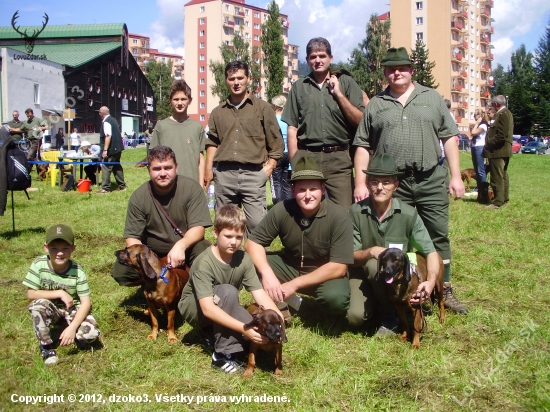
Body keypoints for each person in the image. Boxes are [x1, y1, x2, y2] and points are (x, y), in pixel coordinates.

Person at [353, 47, 467, 314]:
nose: (397, 73)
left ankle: (443, 287)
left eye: (402, 68)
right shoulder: (376, 105)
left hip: (429, 178)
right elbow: (361, 145)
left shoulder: (432, 98)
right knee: (399, 238)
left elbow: (449, 137)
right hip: (394, 185)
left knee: (438, 234)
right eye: (391, 69)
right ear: (385, 73)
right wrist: (360, 182)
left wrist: (455, 175)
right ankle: (406, 289)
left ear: (411, 70)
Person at [245, 156, 354, 318]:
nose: (308, 195)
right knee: (247, 263)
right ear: (293, 190)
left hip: (322, 273)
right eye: (302, 190)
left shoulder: (339, 216)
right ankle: (276, 304)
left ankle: (309, 309)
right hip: (290, 266)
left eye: (313, 189)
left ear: (323, 189)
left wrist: (293, 285)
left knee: (336, 298)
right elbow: (252, 243)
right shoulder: (282, 209)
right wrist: (268, 275)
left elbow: (338, 267)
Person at [178, 204, 282, 373]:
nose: (234, 242)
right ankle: (221, 356)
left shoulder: (244, 259)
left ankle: (211, 334)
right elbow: (207, 309)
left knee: (252, 333)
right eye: (228, 236)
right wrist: (243, 329)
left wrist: (277, 317)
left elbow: (259, 293)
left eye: (239, 237)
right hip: (196, 309)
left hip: (224, 302)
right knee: (229, 293)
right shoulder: (204, 262)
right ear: (216, 233)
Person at [348, 154, 440, 334]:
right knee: (355, 317)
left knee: (380, 267)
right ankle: (379, 306)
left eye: (386, 182)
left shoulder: (408, 214)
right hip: (364, 275)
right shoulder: (355, 212)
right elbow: (350, 257)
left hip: (399, 279)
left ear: (395, 186)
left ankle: (389, 315)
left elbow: (430, 251)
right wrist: (371, 251)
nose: (380, 187)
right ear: (367, 184)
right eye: (374, 182)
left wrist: (430, 283)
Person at [282, 37, 364, 209]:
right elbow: (292, 128)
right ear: (307, 60)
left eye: (322, 56)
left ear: (330, 58)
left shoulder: (346, 83)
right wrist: (295, 161)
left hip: (339, 159)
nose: (317, 60)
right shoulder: (299, 87)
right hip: (307, 157)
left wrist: (339, 94)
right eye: (313, 57)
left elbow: (360, 121)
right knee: (307, 209)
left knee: (343, 212)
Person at [111, 145, 211, 286]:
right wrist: (147, 263)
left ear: (176, 167)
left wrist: (181, 246)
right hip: (152, 254)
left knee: (206, 256)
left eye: (167, 168)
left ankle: (192, 284)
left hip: (187, 247)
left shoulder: (192, 189)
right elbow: (132, 238)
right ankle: (153, 283)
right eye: (157, 169)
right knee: (122, 272)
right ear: (148, 169)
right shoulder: (139, 197)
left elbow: (198, 229)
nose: (163, 173)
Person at [205, 61, 283, 235]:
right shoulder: (218, 112)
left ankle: (255, 262)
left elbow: (276, 143)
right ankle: (226, 262)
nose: (236, 82)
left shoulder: (262, 108)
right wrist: (208, 170)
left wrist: (268, 168)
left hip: (253, 175)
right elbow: (212, 142)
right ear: (226, 80)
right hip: (224, 175)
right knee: (225, 226)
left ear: (248, 79)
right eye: (232, 78)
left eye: (240, 77)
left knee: (257, 225)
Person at [22, 224, 100, 365]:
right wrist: (59, 293)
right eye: (54, 248)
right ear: (46, 248)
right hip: (51, 309)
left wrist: (72, 327)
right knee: (37, 306)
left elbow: (85, 303)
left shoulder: (78, 271)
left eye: (65, 248)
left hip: (72, 310)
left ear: (73, 248)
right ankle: (46, 347)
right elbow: (31, 293)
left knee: (91, 334)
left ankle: (72, 333)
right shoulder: (39, 264)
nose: (59, 253)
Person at [150, 80, 206, 186]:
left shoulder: (197, 127)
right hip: (167, 185)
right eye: (176, 99)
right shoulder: (161, 126)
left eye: (183, 99)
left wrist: (200, 185)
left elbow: (201, 158)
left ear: (190, 100)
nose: (180, 103)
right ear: (170, 100)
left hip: (192, 184)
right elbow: (153, 159)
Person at [483, 95, 514, 209]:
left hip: (498, 151)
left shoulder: (503, 114)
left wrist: (489, 142)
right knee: (502, 175)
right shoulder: (503, 114)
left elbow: (502, 134)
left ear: (496, 104)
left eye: (493, 105)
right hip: (501, 150)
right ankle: (504, 199)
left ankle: (498, 202)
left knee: (497, 177)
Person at [9, 108, 49, 173]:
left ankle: (29, 171)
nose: (29, 117)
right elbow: (20, 129)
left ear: (32, 113)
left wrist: (41, 127)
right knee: (33, 157)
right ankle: (32, 172)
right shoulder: (26, 122)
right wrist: (13, 129)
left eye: (30, 115)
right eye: (28, 116)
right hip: (29, 141)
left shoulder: (38, 120)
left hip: (36, 141)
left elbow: (47, 127)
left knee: (29, 155)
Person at [97, 106, 126, 194]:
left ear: (102, 113)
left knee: (106, 166)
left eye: (99, 113)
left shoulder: (106, 122)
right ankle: (122, 186)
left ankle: (105, 188)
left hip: (111, 149)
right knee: (116, 166)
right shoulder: (113, 120)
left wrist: (105, 150)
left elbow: (108, 136)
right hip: (118, 148)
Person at [270, 95, 292, 204]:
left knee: (276, 183)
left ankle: (278, 207)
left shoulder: (272, 120)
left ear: (274, 106)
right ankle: (288, 206)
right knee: (287, 184)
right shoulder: (289, 120)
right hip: (289, 153)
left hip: (276, 154)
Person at [470, 109, 489, 193]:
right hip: (474, 147)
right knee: (476, 169)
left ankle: (483, 187)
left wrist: (477, 123)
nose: (474, 116)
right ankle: (479, 187)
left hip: (480, 147)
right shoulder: (478, 125)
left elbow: (473, 133)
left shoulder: (483, 125)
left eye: (476, 115)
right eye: (474, 115)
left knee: (480, 169)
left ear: (480, 116)